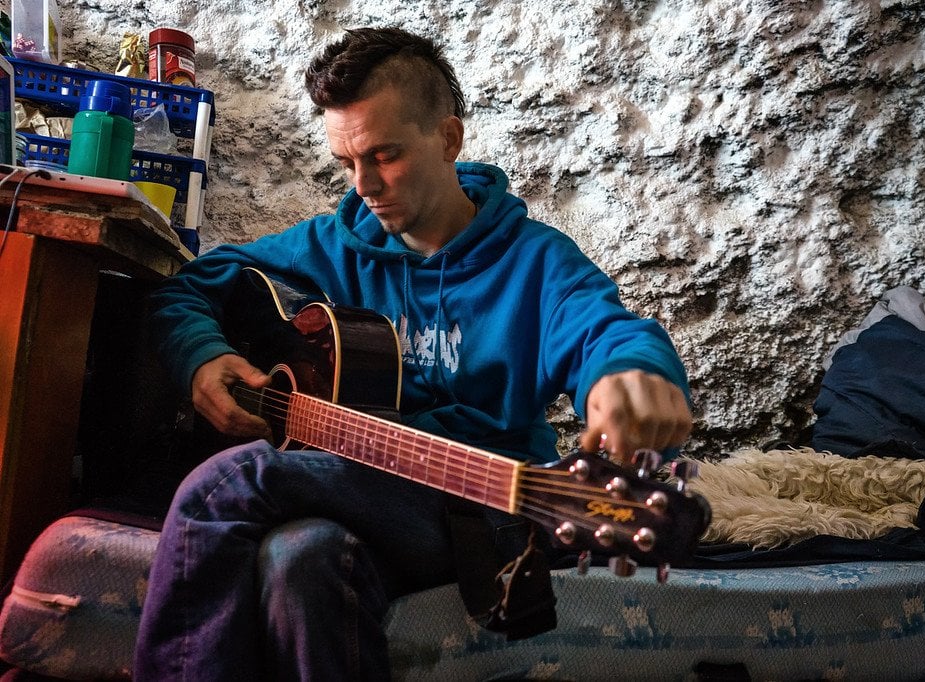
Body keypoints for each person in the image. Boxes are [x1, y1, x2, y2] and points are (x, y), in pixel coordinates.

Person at [134, 26, 693, 681]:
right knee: (302, 561)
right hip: (361, 500)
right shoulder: (334, 247)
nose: (364, 183)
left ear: (449, 139)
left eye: (385, 155)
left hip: (481, 509)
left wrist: (633, 375)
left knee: (221, 489)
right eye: (347, 162)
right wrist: (202, 357)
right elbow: (185, 290)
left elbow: (606, 331)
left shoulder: (535, 262)